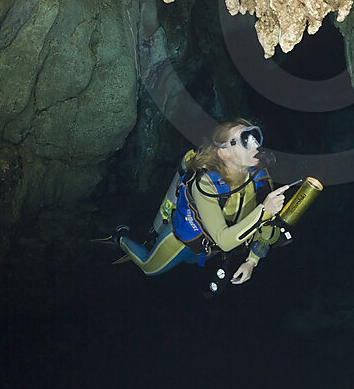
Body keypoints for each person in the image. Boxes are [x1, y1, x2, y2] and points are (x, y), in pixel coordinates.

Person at [114, 119, 289, 284]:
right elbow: (225, 240)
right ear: (224, 152)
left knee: (191, 261)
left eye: (254, 136)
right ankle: (120, 236)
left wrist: (251, 261)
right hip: (185, 237)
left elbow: (268, 223)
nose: (254, 145)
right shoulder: (205, 184)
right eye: (245, 139)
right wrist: (264, 210)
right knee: (149, 268)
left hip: (211, 246)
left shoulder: (260, 177)